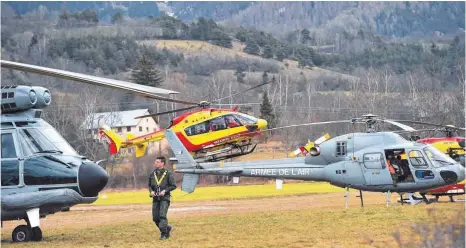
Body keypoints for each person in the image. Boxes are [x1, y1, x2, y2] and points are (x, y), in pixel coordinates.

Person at [148, 156, 177, 240]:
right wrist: (151, 192)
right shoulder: (152, 174)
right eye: (155, 162)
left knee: (162, 216)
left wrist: (165, 191)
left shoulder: (168, 173)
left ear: (162, 163)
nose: (155, 163)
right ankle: (167, 228)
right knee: (155, 218)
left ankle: (164, 234)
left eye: (157, 162)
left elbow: (173, 186)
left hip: (165, 198)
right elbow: (149, 185)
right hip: (155, 198)